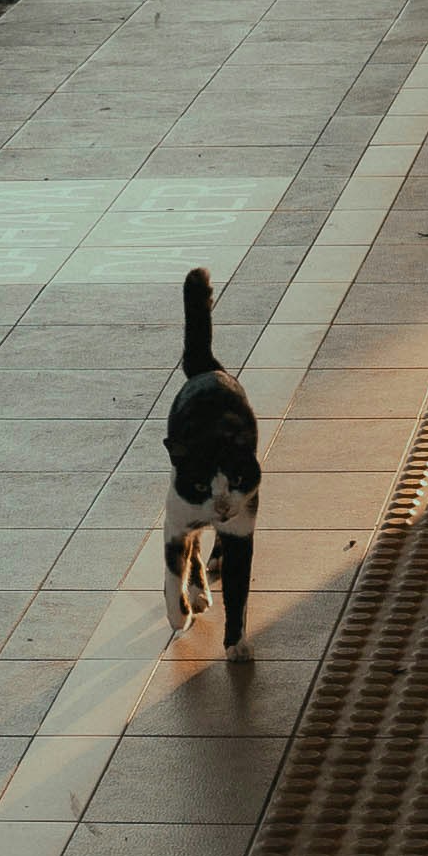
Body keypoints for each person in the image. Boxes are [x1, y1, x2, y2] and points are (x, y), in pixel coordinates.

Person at [159, 266, 263, 651]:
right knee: (187, 525)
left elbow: (244, 561)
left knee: (236, 548)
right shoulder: (188, 474)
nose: (225, 506)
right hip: (194, 435)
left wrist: (236, 638)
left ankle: (234, 634)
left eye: (235, 492)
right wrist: (173, 595)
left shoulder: (240, 466)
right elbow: (174, 531)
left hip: (228, 434)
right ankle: (196, 569)